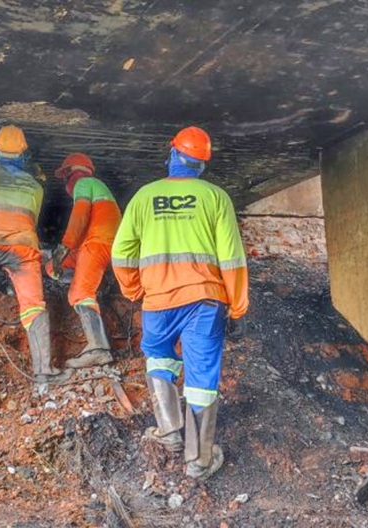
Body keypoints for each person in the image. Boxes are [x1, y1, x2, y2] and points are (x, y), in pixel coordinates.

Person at [111, 126, 249, 480]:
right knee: (201, 375)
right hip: (204, 302)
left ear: (172, 153)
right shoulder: (215, 197)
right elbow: (232, 259)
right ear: (202, 165)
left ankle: (169, 429)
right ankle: (198, 460)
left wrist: (133, 289)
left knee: (158, 356)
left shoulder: (144, 196)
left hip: (157, 300)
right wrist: (237, 306)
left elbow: (122, 252)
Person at [0, 125, 66, 384]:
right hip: (24, 252)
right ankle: (44, 372)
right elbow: (31, 220)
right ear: (25, 153)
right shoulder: (36, 188)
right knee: (35, 307)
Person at [46, 153, 122, 368]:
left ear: (69, 173)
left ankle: (98, 349)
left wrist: (64, 247)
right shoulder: (96, 186)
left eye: (64, 177)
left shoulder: (85, 183)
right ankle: (83, 281)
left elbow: (79, 218)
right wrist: (58, 260)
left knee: (79, 293)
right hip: (102, 244)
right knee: (52, 268)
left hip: (97, 244)